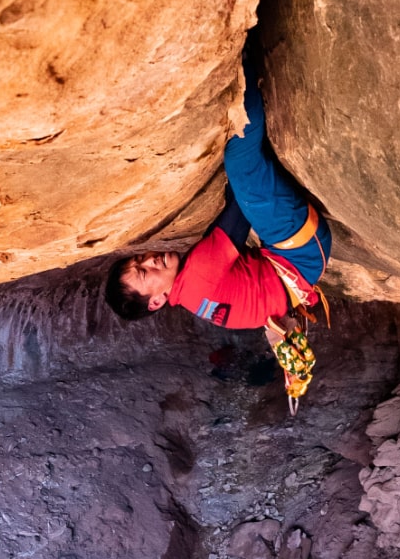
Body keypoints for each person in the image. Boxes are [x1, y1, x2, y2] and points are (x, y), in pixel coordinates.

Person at [104, 48, 331, 345]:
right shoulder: (198, 277)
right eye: (145, 274)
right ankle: (242, 64)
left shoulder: (193, 298)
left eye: (139, 261)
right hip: (301, 252)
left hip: (299, 269)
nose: (150, 260)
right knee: (241, 167)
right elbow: (240, 208)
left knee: (246, 184)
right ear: (157, 301)